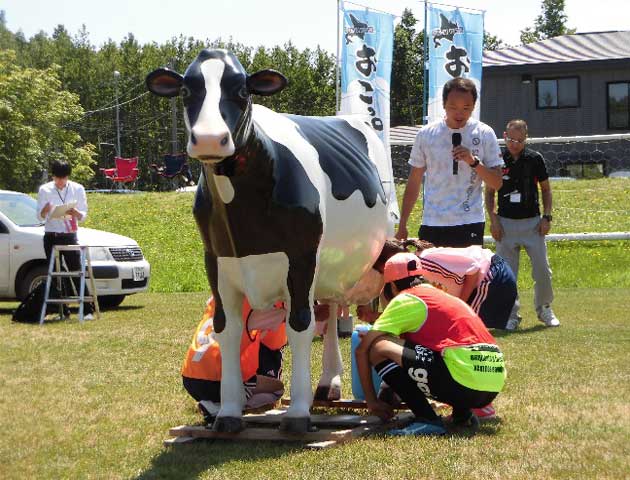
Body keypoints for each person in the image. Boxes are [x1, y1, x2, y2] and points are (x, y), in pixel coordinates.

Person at [355, 252, 507, 435]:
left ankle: (427, 418)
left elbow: (362, 351)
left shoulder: (405, 299)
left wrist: (371, 401)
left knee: (379, 347)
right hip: (492, 385)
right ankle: (462, 415)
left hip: (464, 381)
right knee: (442, 351)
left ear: (392, 286)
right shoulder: (442, 296)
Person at [396, 77, 503, 247]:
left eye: (466, 108)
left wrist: (473, 162)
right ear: (444, 105)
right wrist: (403, 223)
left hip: (470, 220)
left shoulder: (484, 133)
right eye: (453, 107)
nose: (459, 113)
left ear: (474, 106)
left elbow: (497, 183)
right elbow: (414, 181)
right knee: (431, 273)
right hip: (433, 221)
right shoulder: (426, 134)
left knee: (468, 273)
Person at [485, 119, 559, 330]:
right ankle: (510, 315)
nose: (514, 144)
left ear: (526, 139)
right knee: (506, 274)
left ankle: (544, 308)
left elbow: (546, 189)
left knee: (542, 270)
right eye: (510, 139)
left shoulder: (535, 159)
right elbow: (490, 192)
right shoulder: (497, 159)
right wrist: (494, 220)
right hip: (505, 225)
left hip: (533, 224)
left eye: (519, 140)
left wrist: (547, 217)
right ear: (504, 135)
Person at [181, 296, 288, 425]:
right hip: (219, 378)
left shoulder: (217, 297)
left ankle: (213, 402)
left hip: (189, 376)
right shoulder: (258, 304)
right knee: (277, 388)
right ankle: (221, 406)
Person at [369, 238, 517, 331]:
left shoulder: (425, 260)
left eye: (379, 269)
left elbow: (473, 269)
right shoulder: (408, 274)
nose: (382, 274)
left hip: (492, 276)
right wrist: (377, 316)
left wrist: (460, 305)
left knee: (464, 327)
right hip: (481, 284)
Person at [36, 160, 94, 319]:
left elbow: (83, 215)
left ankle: (88, 309)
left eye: (63, 178)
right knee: (55, 273)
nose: (60, 181)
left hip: (69, 234)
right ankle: (63, 311)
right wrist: (45, 210)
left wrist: (75, 212)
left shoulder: (77, 188)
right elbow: (38, 216)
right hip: (51, 235)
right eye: (57, 178)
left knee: (76, 270)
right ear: (53, 176)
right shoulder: (45, 189)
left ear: (67, 176)